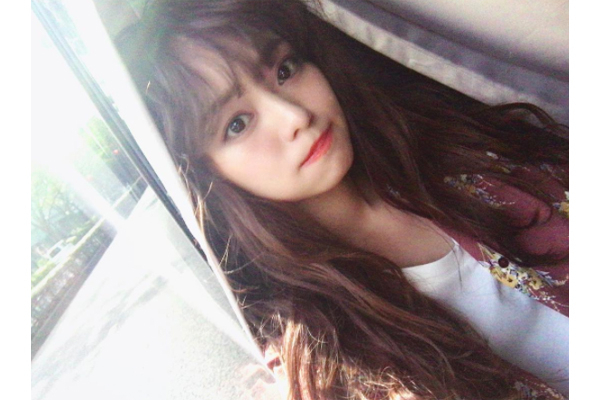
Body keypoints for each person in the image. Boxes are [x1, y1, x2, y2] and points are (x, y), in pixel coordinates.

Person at [117, 0, 569, 398]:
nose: (294, 116)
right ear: (206, 178)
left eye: (285, 70)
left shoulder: (452, 149)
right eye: (237, 124)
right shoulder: (326, 351)